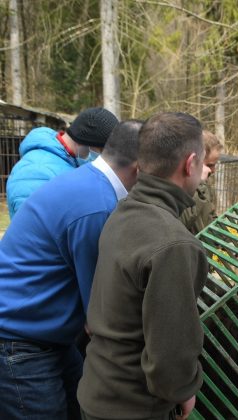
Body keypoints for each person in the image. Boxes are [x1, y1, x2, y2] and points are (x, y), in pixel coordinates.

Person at [0, 120, 142, 419]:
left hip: (48, 335)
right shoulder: (96, 206)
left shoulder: (87, 182)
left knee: (80, 404)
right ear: (140, 167)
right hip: (19, 340)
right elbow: (100, 312)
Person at [78, 112, 208, 420]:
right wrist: (183, 390)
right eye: (202, 163)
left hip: (96, 390)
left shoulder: (123, 211)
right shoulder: (174, 244)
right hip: (134, 407)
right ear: (190, 164)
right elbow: (170, 355)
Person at [6, 106, 119, 218]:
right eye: (101, 151)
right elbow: (32, 225)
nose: (102, 157)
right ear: (83, 143)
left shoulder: (71, 163)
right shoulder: (36, 171)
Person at [180, 130, 223, 233]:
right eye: (209, 165)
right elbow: (183, 221)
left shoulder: (204, 186)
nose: (213, 170)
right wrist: (199, 184)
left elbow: (208, 217)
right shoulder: (182, 187)